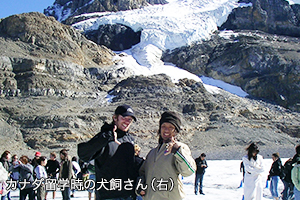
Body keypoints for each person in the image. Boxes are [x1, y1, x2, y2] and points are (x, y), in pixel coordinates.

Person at [78, 104, 140, 200]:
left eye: (130, 120)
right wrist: (106, 137)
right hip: (108, 196)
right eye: (124, 117)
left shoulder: (129, 140)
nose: (127, 122)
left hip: (129, 195)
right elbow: (83, 154)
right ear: (115, 118)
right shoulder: (104, 137)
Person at [138, 111, 196, 200]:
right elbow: (143, 173)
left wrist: (177, 151)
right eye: (163, 126)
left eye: (171, 127)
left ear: (176, 130)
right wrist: (140, 186)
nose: (166, 130)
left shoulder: (180, 148)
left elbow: (188, 171)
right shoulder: (152, 153)